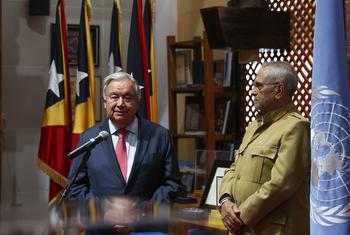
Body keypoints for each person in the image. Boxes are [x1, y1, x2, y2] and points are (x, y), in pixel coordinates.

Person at [219, 61, 310, 235]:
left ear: (279, 91)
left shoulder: (296, 127)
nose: (252, 91)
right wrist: (225, 201)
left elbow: (282, 184)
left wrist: (240, 216)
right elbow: (233, 169)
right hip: (242, 227)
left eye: (259, 86)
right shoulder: (253, 127)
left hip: (270, 229)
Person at [67, 71, 183, 203]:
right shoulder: (89, 138)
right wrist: (104, 209)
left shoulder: (160, 136)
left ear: (137, 102)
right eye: (114, 97)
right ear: (105, 102)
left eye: (127, 98)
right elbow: (74, 187)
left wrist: (145, 210)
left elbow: (173, 184)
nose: (120, 104)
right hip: (101, 222)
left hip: (146, 221)